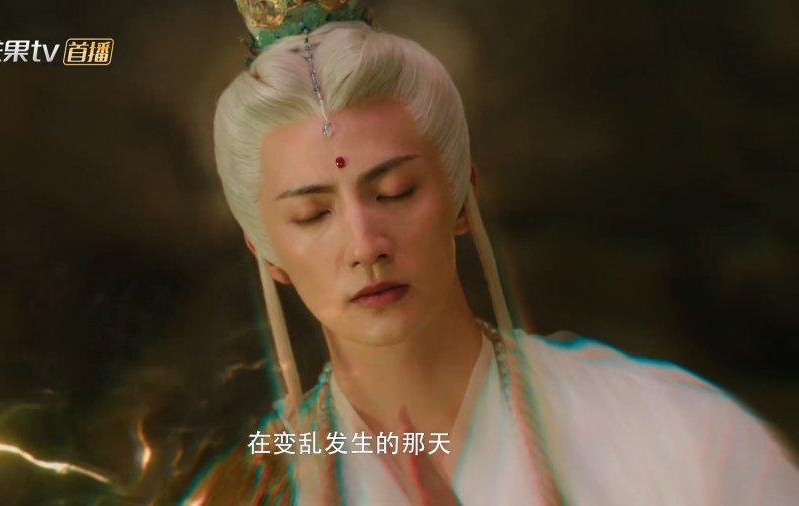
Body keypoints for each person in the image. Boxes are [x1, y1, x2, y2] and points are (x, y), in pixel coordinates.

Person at [185, 1, 799, 504]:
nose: (366, 245)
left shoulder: (680, 436)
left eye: (395, 192)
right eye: (312, 215)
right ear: (266, 252)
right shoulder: (250, 490)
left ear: (461, 198)